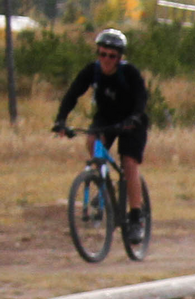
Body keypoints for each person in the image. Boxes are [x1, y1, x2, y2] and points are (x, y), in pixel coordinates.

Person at [53, 29, 150, 226]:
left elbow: (141, 99)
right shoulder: (92, 70)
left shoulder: (129, 73)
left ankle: (135, 216)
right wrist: (60, 121)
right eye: (102, 54)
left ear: (119, 58)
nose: (106, 59)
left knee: (129, 163)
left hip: (132, 121)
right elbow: (72, 94)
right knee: (92, 142)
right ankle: (104, 186)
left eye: (111, 56)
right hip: (106, 118)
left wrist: (133, 119)